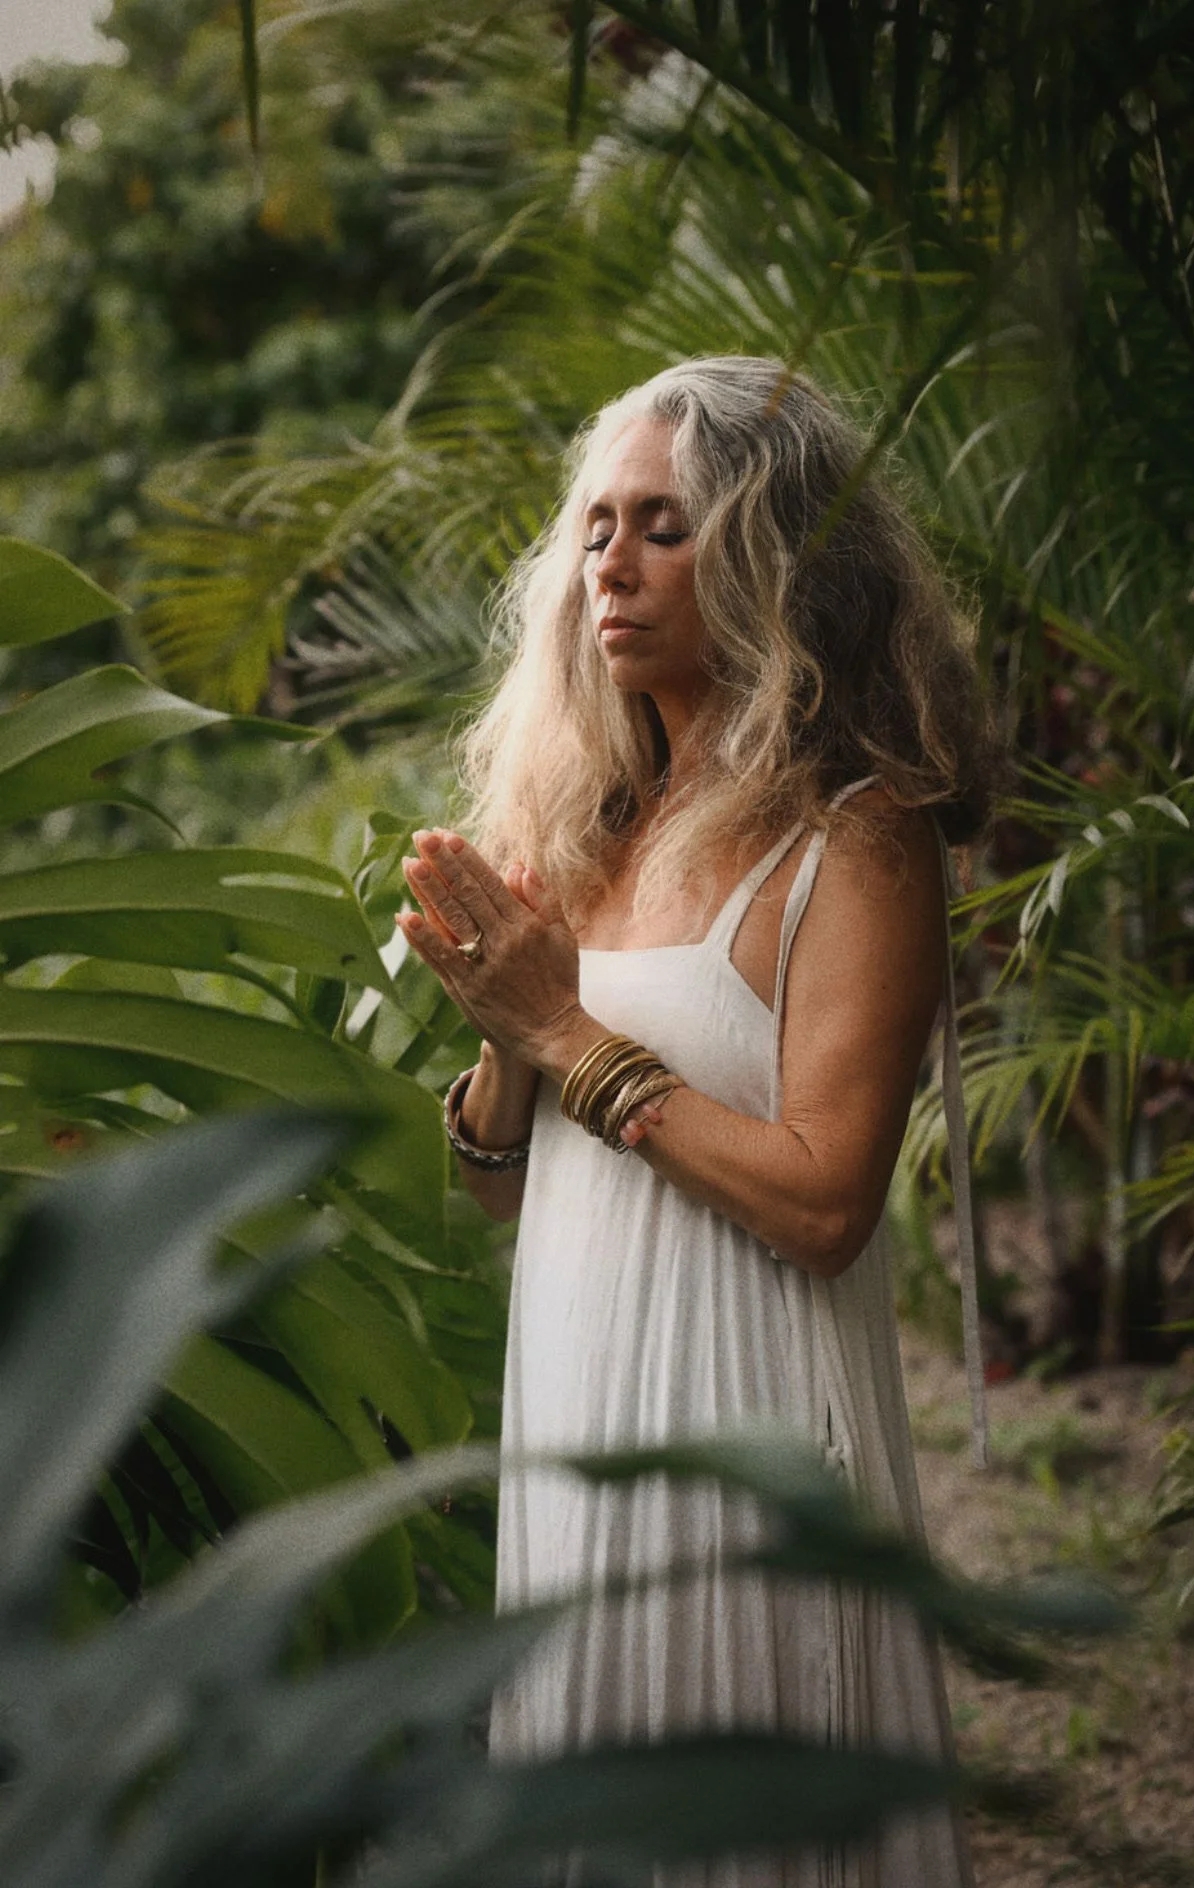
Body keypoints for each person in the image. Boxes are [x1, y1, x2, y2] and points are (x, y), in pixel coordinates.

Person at [397, 356, 1000, 1887]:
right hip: (579, 1393)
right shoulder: (589, 825)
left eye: (664, 526)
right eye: (596, 526)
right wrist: (504, 1023)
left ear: (775, 559)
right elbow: (502, 1189)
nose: (610, 563)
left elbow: (828, 1202)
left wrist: (565, 1031)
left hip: (748, 1410)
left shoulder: (856, 834)